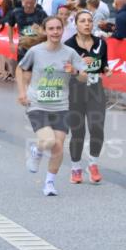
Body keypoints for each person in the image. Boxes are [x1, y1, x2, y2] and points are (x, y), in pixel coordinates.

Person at [16, 15, 89, 196]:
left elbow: (84, 76)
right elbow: (20, 68)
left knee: (57, 146)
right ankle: (37, 150)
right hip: (37, 104)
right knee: (48, 141)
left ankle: (49, 183)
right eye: (51, 28)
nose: (55, 32)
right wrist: (22, 92)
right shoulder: (36, 51)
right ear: (45, 31)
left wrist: (75, 71)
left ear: (63, 30)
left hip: (61, 105)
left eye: (58, 28)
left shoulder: (69, 53)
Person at [63, 10, 112, 184]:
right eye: (82, 21)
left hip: (95, 90)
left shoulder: (101, 43)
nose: (87, 24)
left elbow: (104, 64)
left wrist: (107, 70)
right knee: (78, 132)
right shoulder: (68, 46)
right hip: (74, 91)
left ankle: (93, 164)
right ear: (75, 24)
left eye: (89, 21)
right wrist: (79, 68)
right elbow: (65, 70)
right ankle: (76, 168)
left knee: (97, 128)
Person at [2, 0, 48, 80]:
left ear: (35, 1)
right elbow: (10, 26)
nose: (29, 5)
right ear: (22, 1)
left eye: (31, 3)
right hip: (23, 47)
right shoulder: (16, 12)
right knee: (24, 71)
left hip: (38, 47)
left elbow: (48, 28)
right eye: (26, 2)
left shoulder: (41, 13)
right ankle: (26, 90)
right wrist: (10, 42)